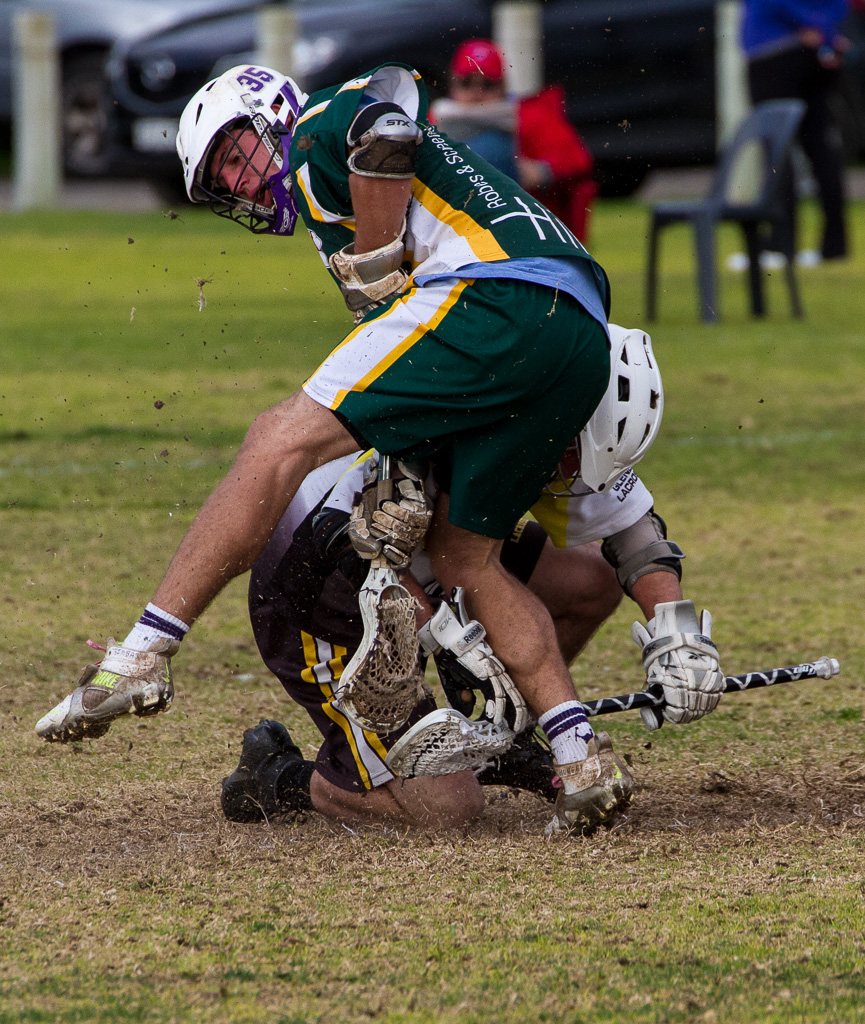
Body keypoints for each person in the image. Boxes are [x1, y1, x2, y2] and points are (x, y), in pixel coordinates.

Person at [35, 63, 724, 836]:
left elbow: (384, 126)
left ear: (270, 110)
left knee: (284, 439)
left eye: (234, 156)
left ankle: (143, 651)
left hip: (498, 302)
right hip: (326, 574)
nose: (240, 183)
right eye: (223, 175)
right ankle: (315, 773)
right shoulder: (558, 351)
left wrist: (375, 254)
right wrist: (675, 636)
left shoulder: (317, 129)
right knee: (449, 764)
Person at [222, 325, 713, 833]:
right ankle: (280, 776)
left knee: (589, 580)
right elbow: (354, 556)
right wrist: (454, 642)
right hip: (328, 594)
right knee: (449, 809)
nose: (574, 478)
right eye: (567, 456)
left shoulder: (537, 395)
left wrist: (676, 636)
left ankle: (506, 738)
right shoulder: (445, 409)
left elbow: (637, 537)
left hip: (428, 566)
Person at [430, 39, 598, 242]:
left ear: (502, 86)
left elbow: (579, 160)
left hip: (520, 225)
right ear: (453, 83)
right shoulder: (436, 118)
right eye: (467, 82)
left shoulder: (526, 116)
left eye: (487, 84)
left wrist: (542, 171)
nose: (476, 92)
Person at [740, 0, 850, 266]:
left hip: (773, 52)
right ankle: (834, 246)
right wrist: (826, 33)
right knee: (820, 146)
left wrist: (812, 24)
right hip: (814, 53)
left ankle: (781, 244)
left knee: (777, 149)